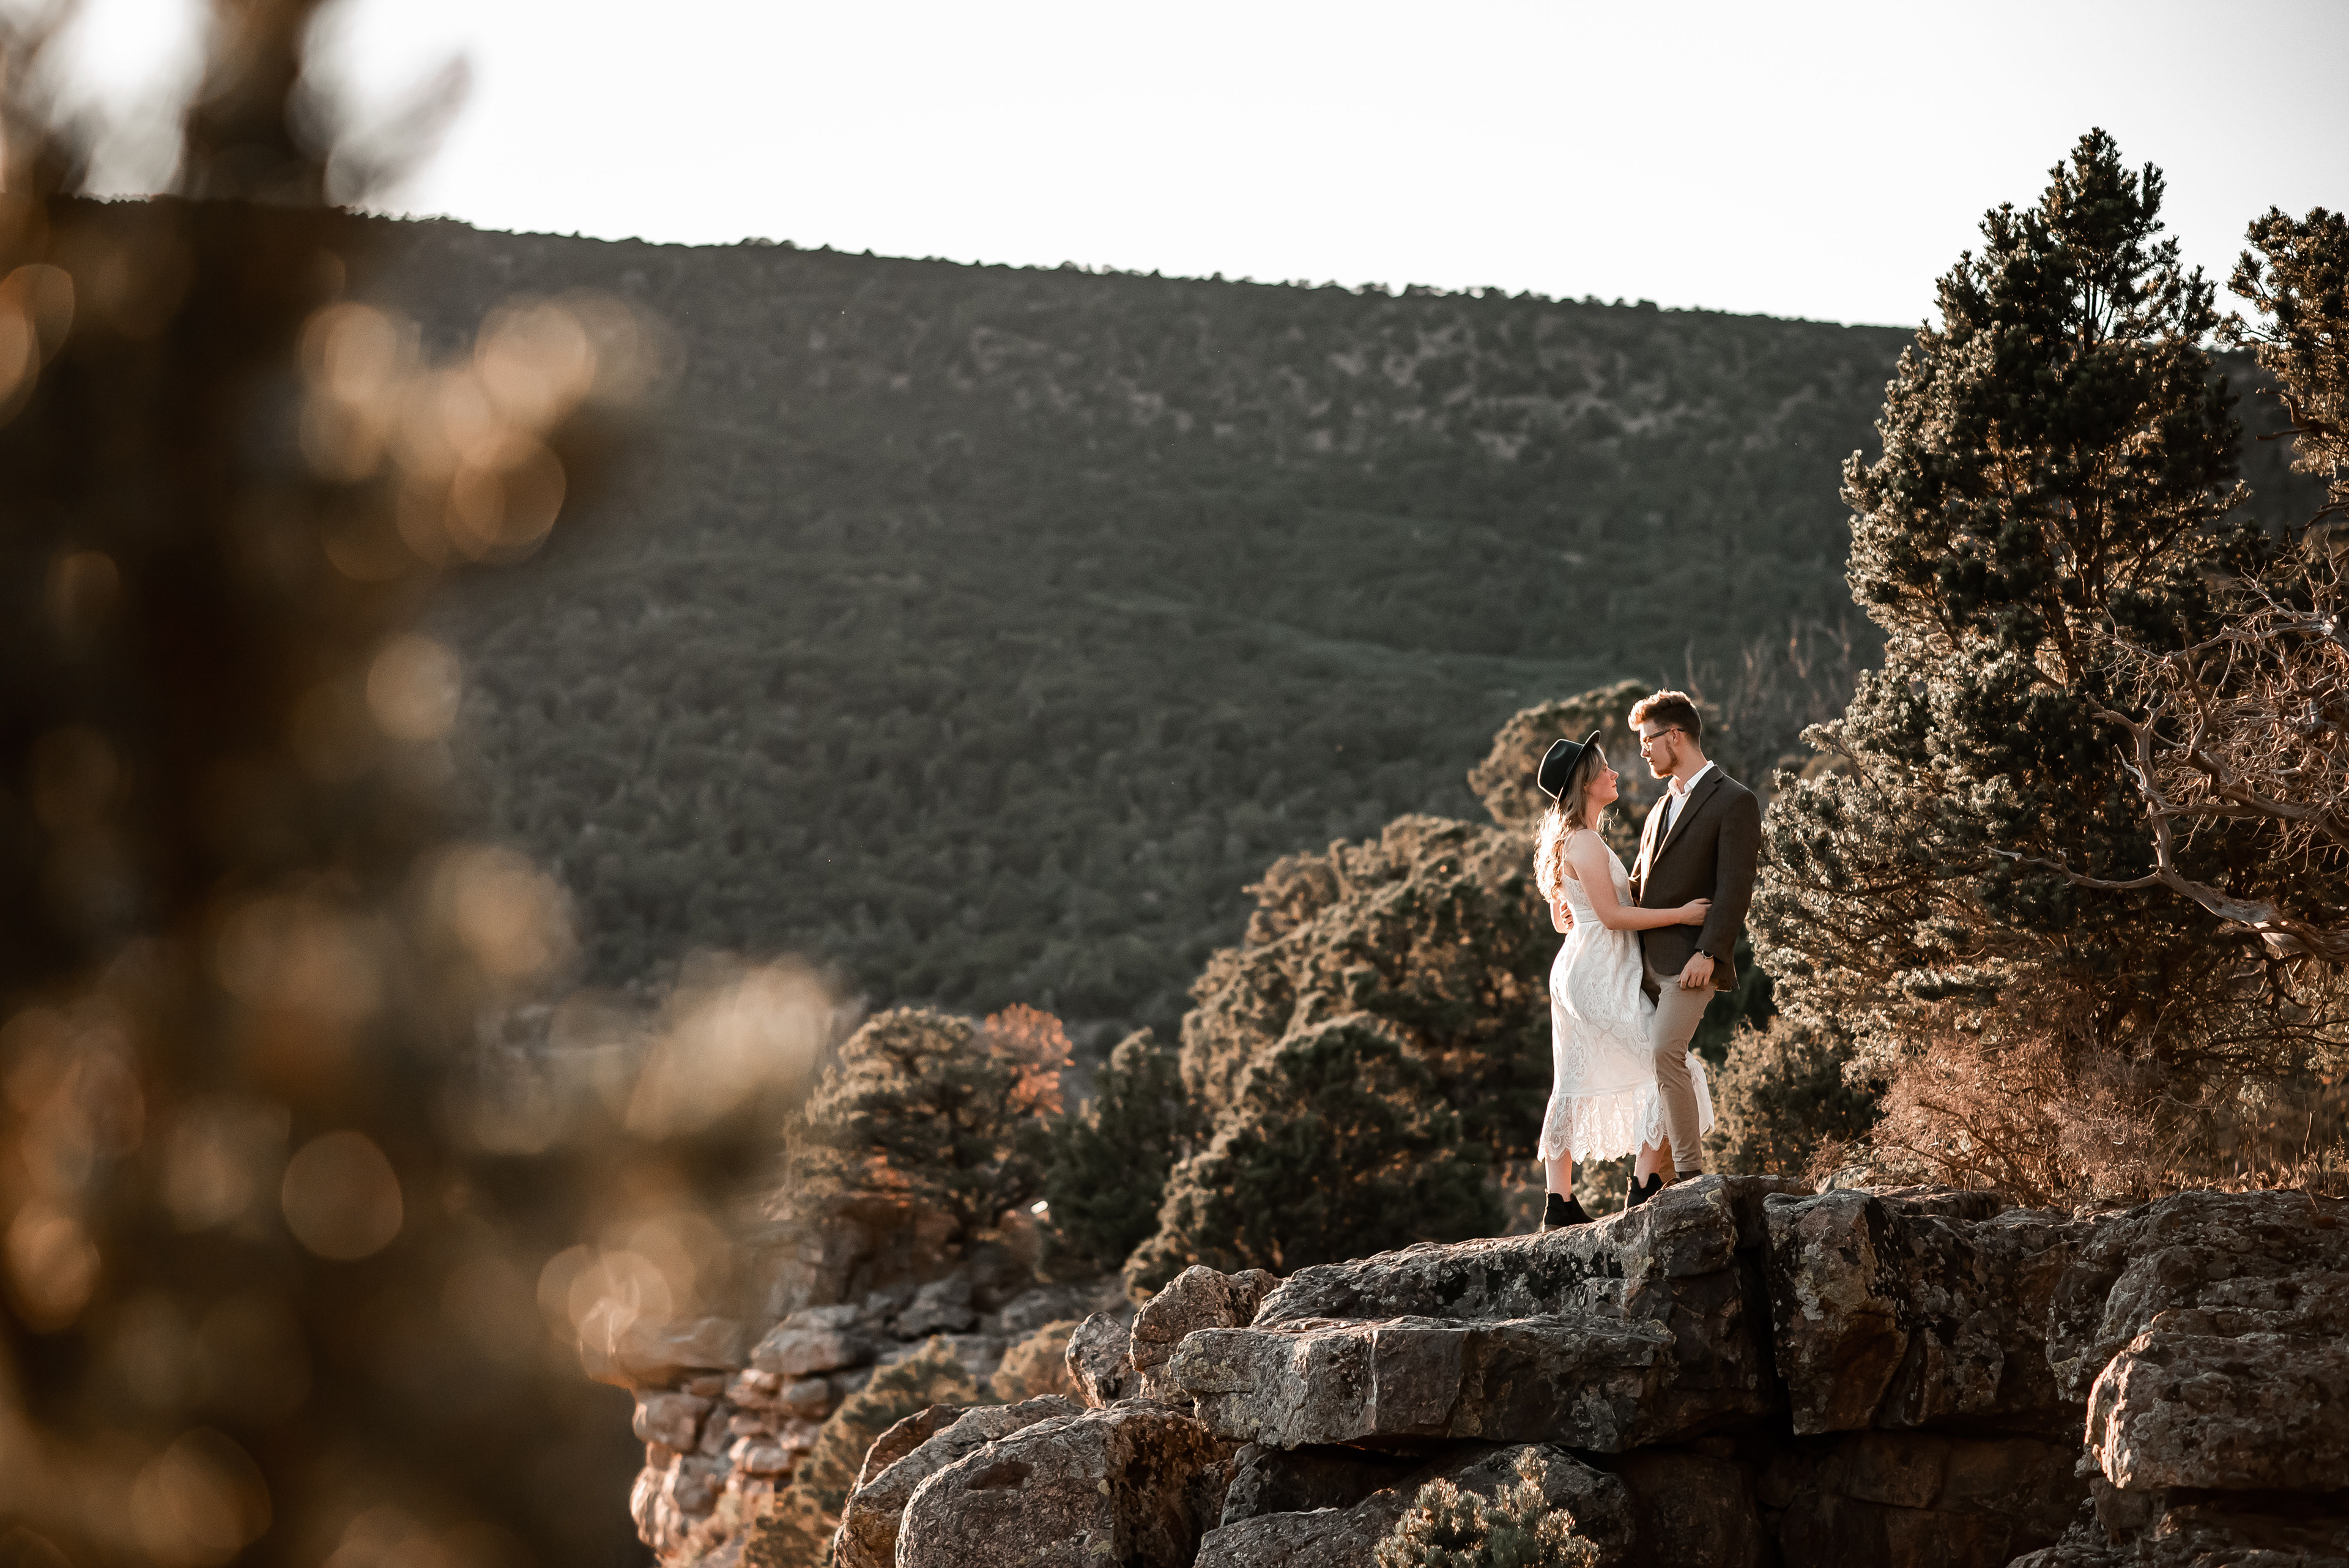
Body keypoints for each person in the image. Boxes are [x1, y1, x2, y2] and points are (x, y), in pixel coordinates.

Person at [1531, 729, 1715, 1230]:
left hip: (1580, 968)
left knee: (1572, 1079)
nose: (1614, 773)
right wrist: (1681, 913)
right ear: (1585, 783)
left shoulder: (1571, 841)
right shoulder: (1586, 842)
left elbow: (1567, 919)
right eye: (1604, 769)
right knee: (1667, 1066)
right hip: (1599, 973)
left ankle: (1558, 1203)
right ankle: (1643, 1184)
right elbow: (1612, 917)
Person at [1624, 690, 1760, 1207]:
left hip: (1692, 962)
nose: (1643, 751)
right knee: (1651, 1065)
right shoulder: (1660, 805)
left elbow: (1734, 887)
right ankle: (1650, 1182)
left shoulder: (1735, 800)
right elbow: (1639, 884)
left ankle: (1688, 1177)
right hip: (1642, 962)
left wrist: (1709, 952)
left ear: (1675, 736)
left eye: (1648, 740)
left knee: (1666, 1051)